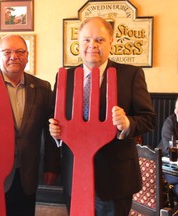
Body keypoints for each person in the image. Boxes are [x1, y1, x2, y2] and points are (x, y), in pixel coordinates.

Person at [49, 17, 156, 216]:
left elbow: (148, 118)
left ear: (111, 42)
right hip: (76, 175)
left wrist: (127, 123)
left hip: (115, 178)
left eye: (99, 40)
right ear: (78, 43)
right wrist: (56, 133)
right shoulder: (65, 77)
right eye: (87, 40)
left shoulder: (130, 74)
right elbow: (58, 121)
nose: (92, 45)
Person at [0, 34, 61, 216]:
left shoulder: (42, 88)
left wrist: (51, 166)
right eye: (7, 52)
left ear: (27, 56)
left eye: (19, 51)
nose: (14, 56)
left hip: (26, 174)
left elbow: (49, 130)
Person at [158, 97, 178, 196]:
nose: (177, 111)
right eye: (176, 108)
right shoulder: (170, 122)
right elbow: (169, 149)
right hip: (166, 167)